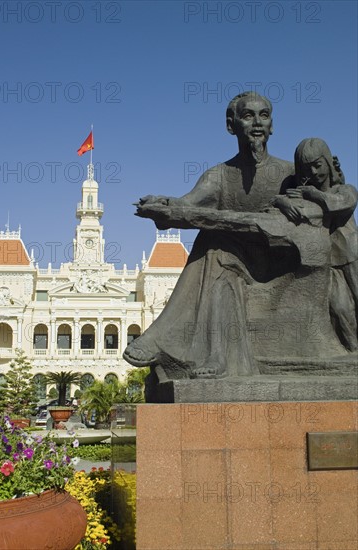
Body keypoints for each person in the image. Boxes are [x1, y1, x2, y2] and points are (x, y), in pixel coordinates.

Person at [123, 92, 300, 379]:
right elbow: (188, 204)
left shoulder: (289, 174)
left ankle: (162, 338)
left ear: (272, 126)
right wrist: (164, 205)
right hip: (233, 264)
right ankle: (215, 357)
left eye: (264, 115)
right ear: (232, 126)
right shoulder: (218, 176)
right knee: (214, 245)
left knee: (216, 243)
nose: (257, 123)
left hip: (280, 264)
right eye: (248, 116)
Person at [280, 138, 358, 351]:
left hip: (352, 256)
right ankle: (353, 351)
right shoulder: (303, 195)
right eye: (307, 168)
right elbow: (276, 204)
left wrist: (312, 194)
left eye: (318, 165)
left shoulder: (345, 190)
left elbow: (340, 204)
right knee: (340, 308)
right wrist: (281, 201)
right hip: (327, 260)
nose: (314, 172)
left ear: (328, 162)